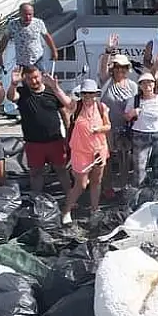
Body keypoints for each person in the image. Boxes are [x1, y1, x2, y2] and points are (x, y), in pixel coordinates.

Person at [7, 65, 72, 195]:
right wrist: (13, 84)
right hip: (33, 143)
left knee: (61, 170)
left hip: (55, 140)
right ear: (25, 79)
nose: (34, 81)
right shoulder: (22, 92)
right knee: (35, 173)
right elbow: (11, 97)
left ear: (41, 75)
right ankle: (36, 198)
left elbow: (64, 113)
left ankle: (70, 196)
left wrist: (68, 135)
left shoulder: (51, 91)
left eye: (36, 77)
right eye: (30, 79)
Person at [61, 79, 110, 223]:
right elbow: (63, 99)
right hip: (80, 151)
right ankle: (66, 211)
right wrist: (54, 86)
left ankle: (94, 209)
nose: (88, 97)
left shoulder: (102, 107)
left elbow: (108, 126)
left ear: (96, 94)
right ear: (81, 95)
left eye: (91, 94)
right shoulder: (76, 106)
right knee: (80, 184)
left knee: (96, 181)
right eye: (85, 94)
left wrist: (98, 129)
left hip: (99, 150)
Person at [98, 43, 137, 198]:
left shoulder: (133, 86)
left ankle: (124, 186)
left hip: (126, 128)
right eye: (117, 67)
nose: (120, 70)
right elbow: (102, 69)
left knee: (125, 159)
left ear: (128, 69)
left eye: (124, 67)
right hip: (107, 127)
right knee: (106, 158)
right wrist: (108, 51)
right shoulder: (106, 82)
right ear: (112, 68)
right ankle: (107, 186)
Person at [125, 72, 158, 186]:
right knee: (139, 169)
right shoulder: (134, 100)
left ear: (154, 84)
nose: (147, 86)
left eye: (150, 83)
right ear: (140, 86)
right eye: (143, 83)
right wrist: (132, 113)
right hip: (140, 136)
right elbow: (125, 117)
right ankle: (139, 194)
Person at [0, 2, 57, 70]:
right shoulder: (12, 24)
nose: (27, 17)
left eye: (30, 14)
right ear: (20, 14)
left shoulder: (39, 23)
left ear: (33, 14)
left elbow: (47, 36)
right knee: (25, 80)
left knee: (40, 79)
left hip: (38, 60)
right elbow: (5, 39)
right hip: (22, 63)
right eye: (25, 14)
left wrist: (54, 51)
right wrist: (0, 55)